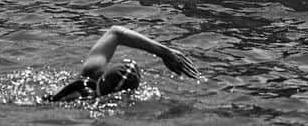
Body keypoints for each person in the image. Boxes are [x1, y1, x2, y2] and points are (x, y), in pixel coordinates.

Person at [44, 25, 201, 102]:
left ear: (104, 74)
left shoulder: (90, 73)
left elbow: (116, 32)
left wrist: (165, 52)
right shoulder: (106, 107)